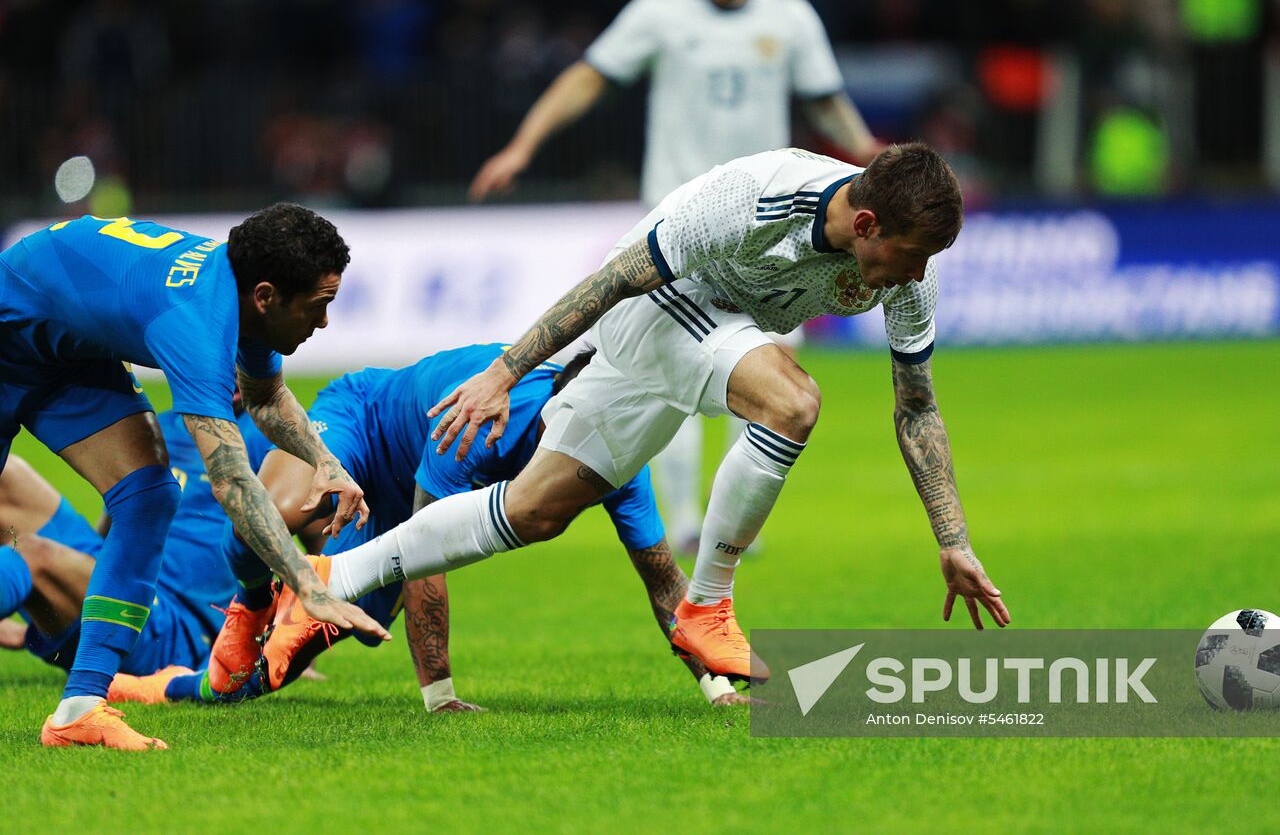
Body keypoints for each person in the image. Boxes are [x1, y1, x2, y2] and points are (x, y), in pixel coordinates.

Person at [317, 143, 1011, 689]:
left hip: (709, 337)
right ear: (866, 224)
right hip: (651, 306)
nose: (917, 274)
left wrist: (952, 540)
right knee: (793, 401)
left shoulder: (913, 271)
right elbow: (613, 280)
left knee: (533, 512)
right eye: (912, 256)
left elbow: (917, 408)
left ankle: (331, 578)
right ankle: (707, 606)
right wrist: (505, 373)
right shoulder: (755, 199)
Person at [470, 0, 882, 550]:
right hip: (681, 224)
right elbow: (589, 78)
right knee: (677, 373)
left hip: (773, 229)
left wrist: (875, 163)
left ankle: (730, 520)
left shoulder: (791, 17)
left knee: (773, 368)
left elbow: (826, 100)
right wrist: (523, 146)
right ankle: (685, 517)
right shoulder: (659, 12)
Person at [135, 344, 750, 710]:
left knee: (269, 672)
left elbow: (664, 581)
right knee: (278, 512)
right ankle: (252, 600)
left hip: (404, 501)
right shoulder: (480, 419)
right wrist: (440, 695)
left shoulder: (617, 462)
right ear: (554, 417)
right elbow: (426, 547)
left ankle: (162, 688)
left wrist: (718, 689)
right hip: (362, 420)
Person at [0, 204, 385, 750]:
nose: (324, 322)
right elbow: (232, 483)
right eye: (318, 305)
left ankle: (79, 710)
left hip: (61, 353)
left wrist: (326, 461)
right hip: (10, 327)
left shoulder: (243, 298)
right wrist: (306, 584)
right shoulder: (199, 325)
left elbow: (267, 397)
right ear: (267, 297)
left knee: (149, 495)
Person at [0, 408, 272, 691]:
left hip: (171, 629)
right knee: (8, 473)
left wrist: (282, 642)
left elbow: (298, 524)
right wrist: (70, 580)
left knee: (33, 555)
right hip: (118, 569)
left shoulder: (265, 435)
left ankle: (26, 579)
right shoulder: (159, 424)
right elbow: (122, 509)